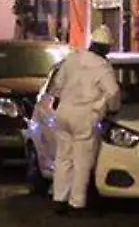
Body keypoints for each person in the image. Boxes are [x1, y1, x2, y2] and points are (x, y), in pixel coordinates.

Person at [51, 25, 122, 216]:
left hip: (64, 112)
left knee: (63, 158)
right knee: (82, 161)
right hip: (84, 116)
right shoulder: (102, 67)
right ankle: (77, 203)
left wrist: (59, 99)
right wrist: (111, 108)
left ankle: (59, 198)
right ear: (106, 48)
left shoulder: (72, 59)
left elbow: (57, 84)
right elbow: (113, 92)